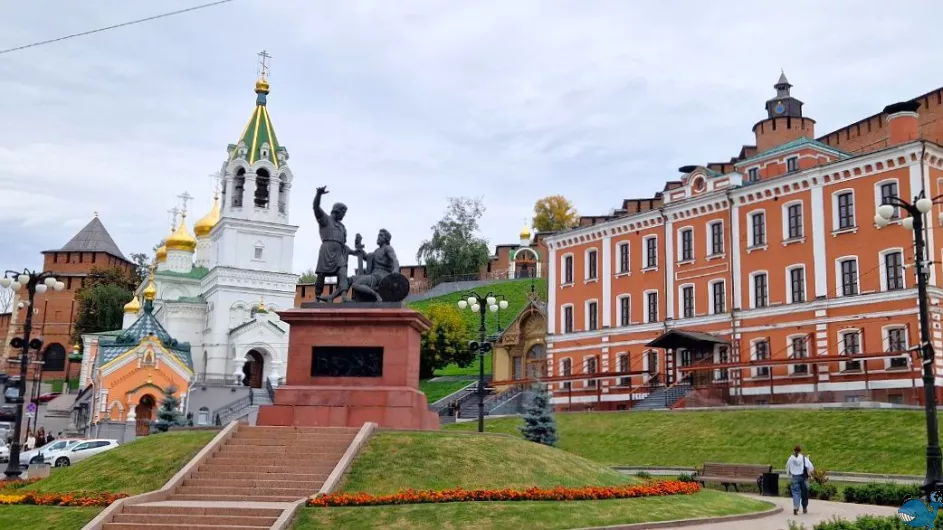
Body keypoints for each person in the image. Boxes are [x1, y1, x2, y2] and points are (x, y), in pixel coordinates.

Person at [311, 186, 353, 302]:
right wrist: (318, 195)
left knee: (342, 272)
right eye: (343, 213)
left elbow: (344, 244)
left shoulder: (342, 227)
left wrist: (354, 252)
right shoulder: (325, 219)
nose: (343, 216)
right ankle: (317, 297)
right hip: (327, 250)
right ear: (337, 211)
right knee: (321, 274)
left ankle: (344, 295)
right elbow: (316, 208)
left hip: (339, 252)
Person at [786, 445, 814, 515]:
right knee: (805, 493)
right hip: (803, 477)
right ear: (800, 451)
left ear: (794, 451)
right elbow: (810, 467)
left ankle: (796, 507)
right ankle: (804, 507)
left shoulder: (790, 459)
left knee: (796, 493)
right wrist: (810, 475)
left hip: (794, 477)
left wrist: (789, 474)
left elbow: (787, 467)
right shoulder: (804, 458)